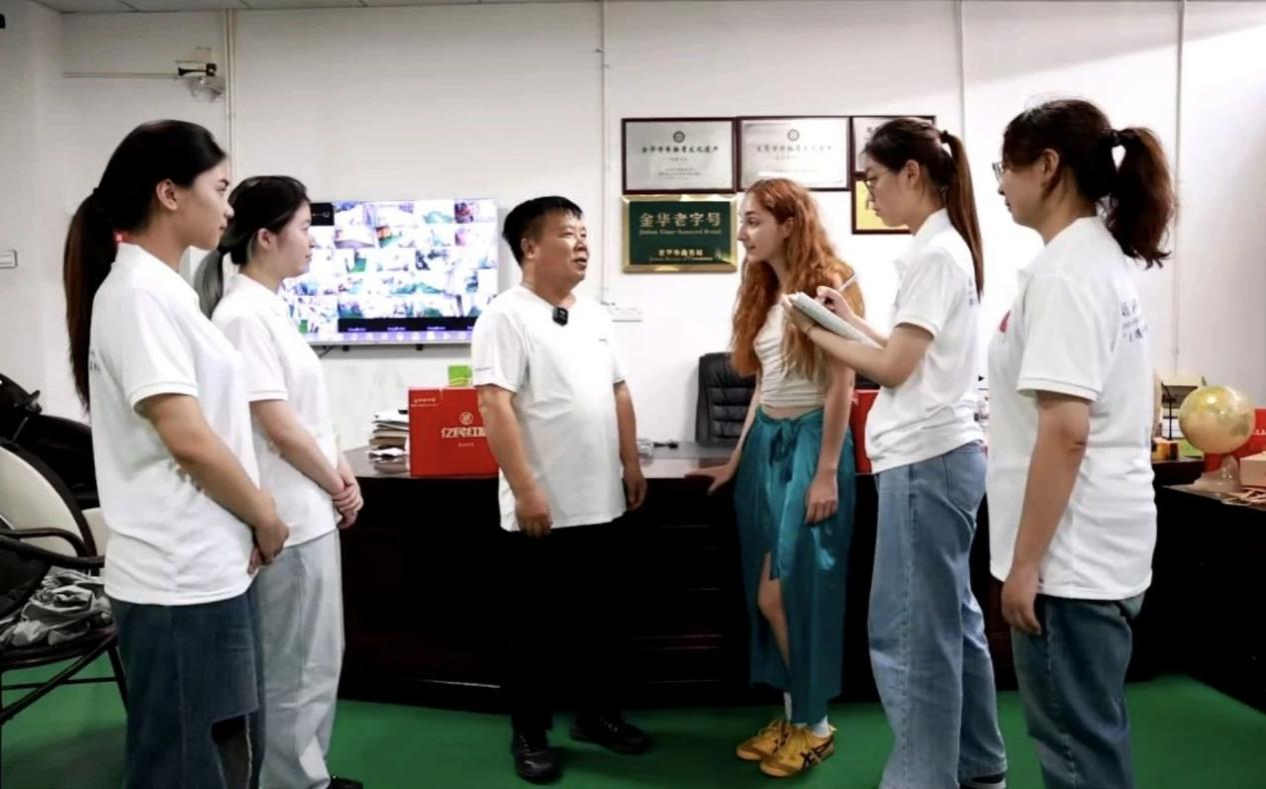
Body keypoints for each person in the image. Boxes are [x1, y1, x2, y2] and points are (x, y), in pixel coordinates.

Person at [62, 120, 288, 789]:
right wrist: (265, 514)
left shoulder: (166, 291)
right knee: (185, 760)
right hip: (177, 576)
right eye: (219, 188)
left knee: (223, 747)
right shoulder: (136, 296)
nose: (229, 208)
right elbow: (186, 437)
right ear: (168, 193)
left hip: (208, 563)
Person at [784, 118, 1008, 789]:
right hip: (943, 456)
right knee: (952, 622)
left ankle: (921, 777)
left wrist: (814, 334)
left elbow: (895, 368)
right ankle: (979, 764)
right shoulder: (942, 248)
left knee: (910, 633)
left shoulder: (935, 254)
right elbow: (908, 352)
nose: (871, 192)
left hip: (926, 459)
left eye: (875, 179)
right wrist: (846, 320)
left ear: (912, 173)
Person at [989, 98, 1175, 789]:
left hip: (1070, 559)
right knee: (1092, 735)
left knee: (1074, 749)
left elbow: (1067, 432)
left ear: (1046, 165)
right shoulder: (1098, 258)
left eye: (1005, 169)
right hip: (1104, 537)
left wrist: (1026, 564)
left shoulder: (1067, 272)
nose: (1001, 187)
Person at [473, 196, 651, 784]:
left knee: (602, 623)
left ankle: (596, 716)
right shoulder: (505, 316)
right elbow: (494, 404)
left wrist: (631, 462)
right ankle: (530, 733)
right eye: (568, 234)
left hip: (602, 500)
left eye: (584, 233)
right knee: (534, 632)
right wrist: (526, 489)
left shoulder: (595, 315)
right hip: (542, 507)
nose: (583, 244)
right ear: (529, 247)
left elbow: (619, 389)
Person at [195, 176, 365, 789]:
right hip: (289, 516)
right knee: (293, 668)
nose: (313, 241)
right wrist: (338, 484)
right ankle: (292, 782)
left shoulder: (267, 309)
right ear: (265, 238)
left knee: (318, 658)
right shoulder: (241, 316)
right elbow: (279, 426)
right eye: (303, 228)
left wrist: (340, 469)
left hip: (309, 510)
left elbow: (305, 416)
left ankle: (307, 771)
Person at [690, 178, 858, 779]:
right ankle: (793, 717)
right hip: (766, 444)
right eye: (744, 220)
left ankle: (816, 725)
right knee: (767, 596)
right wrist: (737, 458)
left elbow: (843, 381)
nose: (743, 233)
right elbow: (763, 384)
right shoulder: (764, 288)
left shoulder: (832, 282)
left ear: (790, 223)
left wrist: (826, 471)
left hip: (813, 444)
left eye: (754, 220)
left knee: (790, 593)